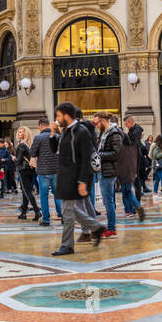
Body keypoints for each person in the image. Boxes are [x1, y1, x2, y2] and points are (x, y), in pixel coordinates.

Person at [51, 102, 105, 256]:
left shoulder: (81, 132)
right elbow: (55, 149)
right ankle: (95, 227)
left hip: (74, 178)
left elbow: (85, 158)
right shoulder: (65, 132)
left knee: (67, 213)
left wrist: (82, 181)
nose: (57, 119)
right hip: (65, 176)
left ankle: (67, 245)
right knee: (69, 210)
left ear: (66, 116)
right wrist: (51, 134)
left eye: (59, 116)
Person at [93, 112, 123, 235]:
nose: (95, 125)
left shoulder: (114, 134)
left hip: (109, 171)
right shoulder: (103, 133)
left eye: (96, 123)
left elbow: (117, 154)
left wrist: (99, 155)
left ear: (103, 121)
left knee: (108, 201)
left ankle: (111, 228)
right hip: (103, 170)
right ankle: (111, 226)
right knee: (108, 201)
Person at [30, 118, 61, 224]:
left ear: (41, 126)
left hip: (43, 171)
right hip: (56, 170)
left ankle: (46, 220)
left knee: (44, 196)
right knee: (58, 195)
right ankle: (63, 217)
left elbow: (32, 153)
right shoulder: (57, 136)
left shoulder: (38, 137)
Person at [118, 115, 145, 221]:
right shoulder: (133, 132)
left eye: (126, 124)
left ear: (130, 122)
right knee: (130, 188)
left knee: (133, 187)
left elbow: (133, 146)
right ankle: (134, 207)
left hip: (134, 162)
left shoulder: (135, 132)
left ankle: (135, 206)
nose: (126, 126)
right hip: (133, 161)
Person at [13, 126, 41, 221]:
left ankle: (37, 211)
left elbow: (18, 161)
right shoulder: (30, 145)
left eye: (20, 132)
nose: (18, 133)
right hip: (31, 170)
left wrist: (13, 158)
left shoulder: (21, 146)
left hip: (23, 170)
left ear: (25, 134)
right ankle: (23, 212)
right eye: (18, 131)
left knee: (27, 192)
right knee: (26, 192)